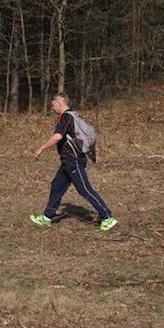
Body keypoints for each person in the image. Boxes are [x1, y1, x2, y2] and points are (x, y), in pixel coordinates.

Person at [31, 93, 118, 231]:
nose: (53, 108)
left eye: (53, 105)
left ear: (59, 103)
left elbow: (58, 136)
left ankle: (107, 217)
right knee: (57, 186)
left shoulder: (66, 117)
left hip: (73, 160)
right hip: (68, 161)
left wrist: (41, 149)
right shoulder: (75, 115)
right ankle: (47, 217)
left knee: (84, 189)